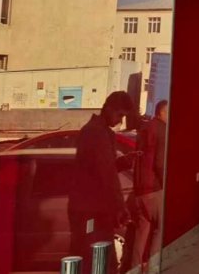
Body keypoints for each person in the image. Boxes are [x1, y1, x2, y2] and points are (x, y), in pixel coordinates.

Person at [68, 91, 135, 274]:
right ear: (109, 109)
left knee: (92, 258)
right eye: (120, 115)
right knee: (94, 259)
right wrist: (120, 207)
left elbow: (99, 169)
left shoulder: (97, 131)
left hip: (90, 208)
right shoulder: (97, 133)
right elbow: (106, 174)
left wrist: (122, 163)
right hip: (91, 209)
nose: (120, 121)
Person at [130, 100, 168, 273]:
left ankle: (135, 268)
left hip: (139, 189)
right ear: (162, 113)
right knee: (160, 229)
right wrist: (166, 183)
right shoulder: (162, 130)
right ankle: (153, 268)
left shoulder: (144, 129)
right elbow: (160, 163)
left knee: (142, 232)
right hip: (154, 188)